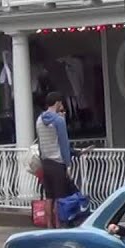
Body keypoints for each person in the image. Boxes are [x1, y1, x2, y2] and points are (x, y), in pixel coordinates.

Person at [36, 92, 77, 229]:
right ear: (58, 103)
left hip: (45, 162)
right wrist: (68, 164)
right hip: (57, 162)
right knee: (59, 197)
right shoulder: (59, 121)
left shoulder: (39, 120)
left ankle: (49, 224)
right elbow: (63, 144)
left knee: (49, 196)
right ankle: (59, 225)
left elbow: (40, 143)